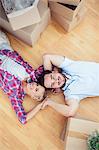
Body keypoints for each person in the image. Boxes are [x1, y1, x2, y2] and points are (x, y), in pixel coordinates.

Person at [0, 30, 46, 124]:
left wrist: (40, 105)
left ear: (33, 97)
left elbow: (23, 119)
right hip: (3, 47)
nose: (34, 85)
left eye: (36, 90)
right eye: (37, 85)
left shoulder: (16, 95)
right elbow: (47, 66)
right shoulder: (32, 75)